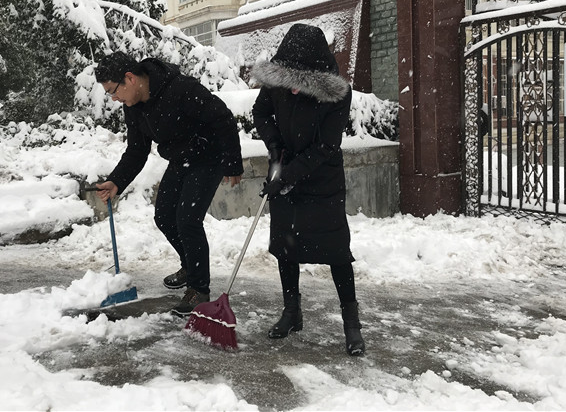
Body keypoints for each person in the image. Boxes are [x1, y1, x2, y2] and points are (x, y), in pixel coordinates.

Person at [93, 52, 243, 317]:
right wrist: (116, 181)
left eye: (113, 91)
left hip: (208, 156)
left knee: (188, 220)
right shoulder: (134, 107)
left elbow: (222, 118)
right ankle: (191, 265)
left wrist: (232, 161)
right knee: (164, 216)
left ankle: (198, 289)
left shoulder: (181, 89)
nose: (114, 98)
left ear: (130, 78)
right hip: (180, 159)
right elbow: (137, 150)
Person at [251, 23, 365, 356]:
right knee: (286, 247)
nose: (292, 89)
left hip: (322, 179)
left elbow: (326, 146)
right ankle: (292, 312)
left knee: (336, 252)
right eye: (288, 79)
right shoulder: (278, 81)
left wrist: (288, 177)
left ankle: (352, 324)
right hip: (285, 168)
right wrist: (275, 147)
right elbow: (261, 112)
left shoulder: (337, 94)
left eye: (299, 81)